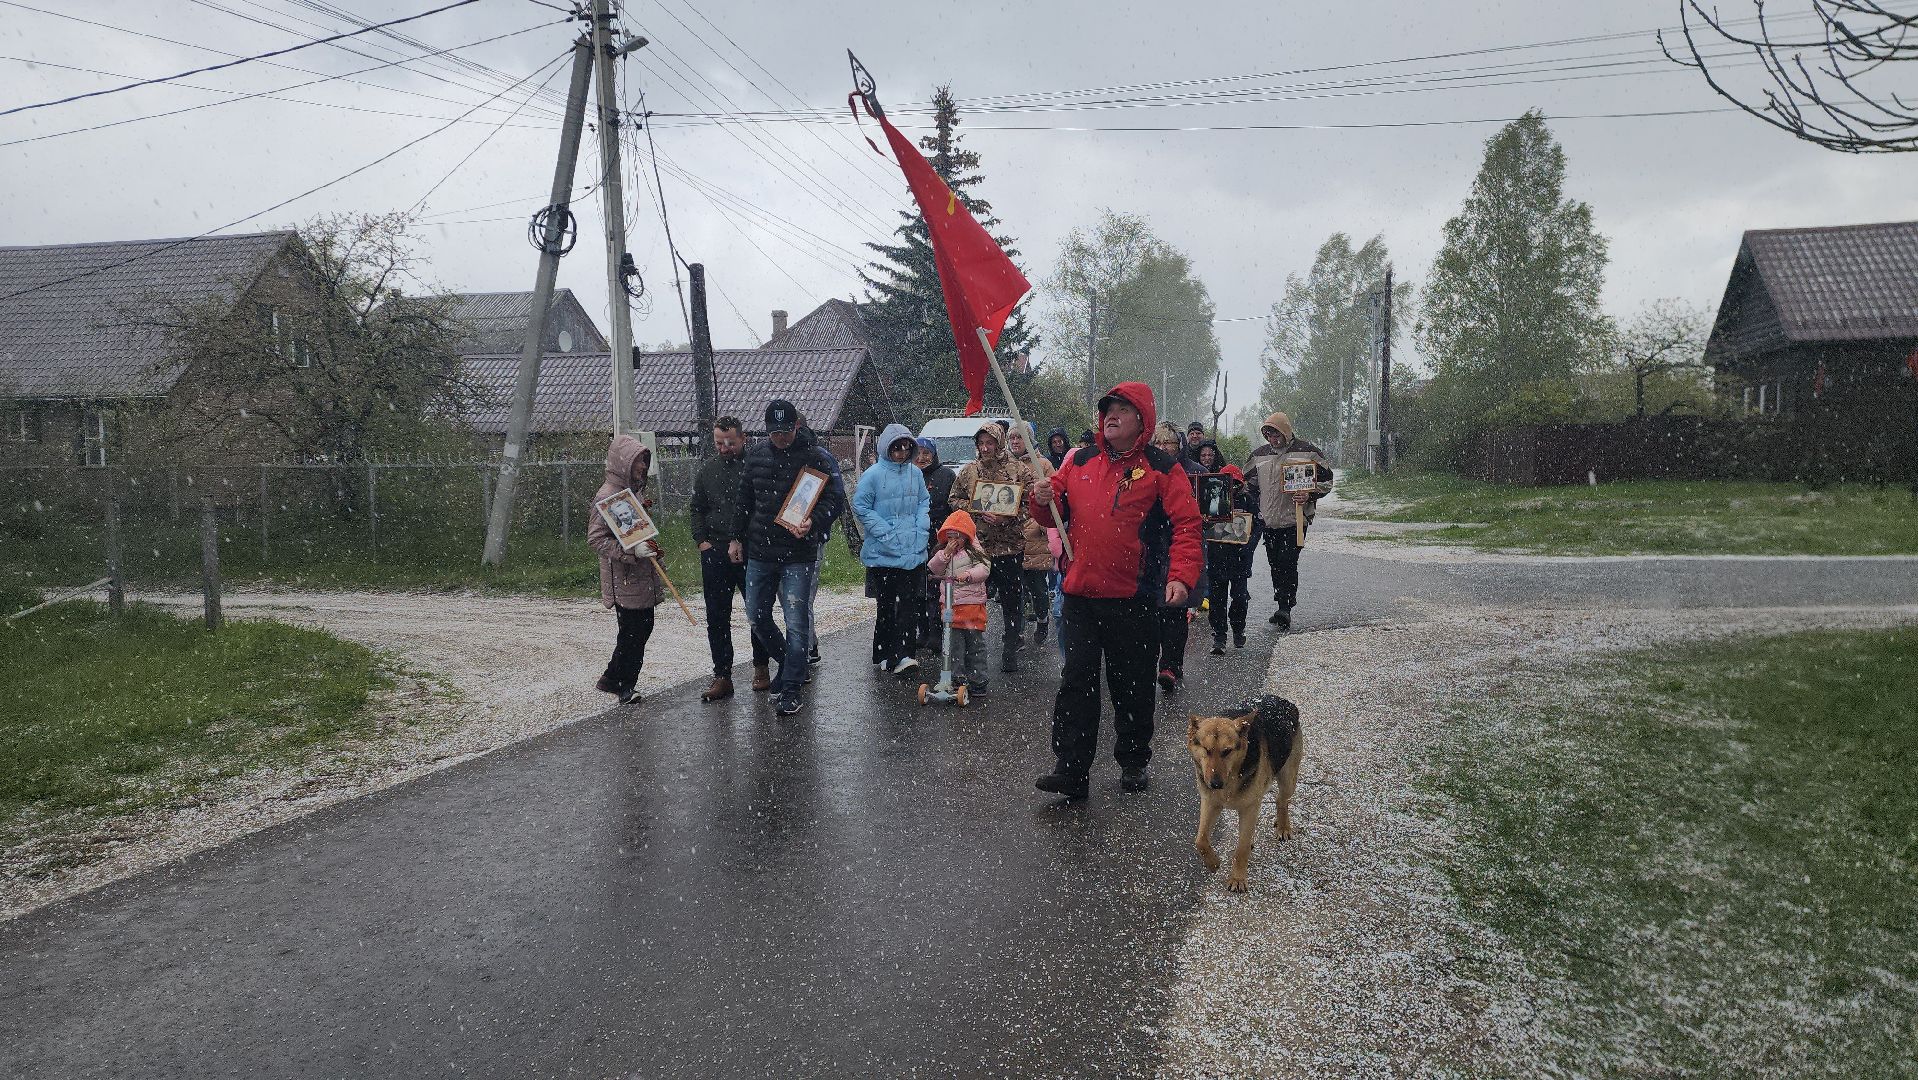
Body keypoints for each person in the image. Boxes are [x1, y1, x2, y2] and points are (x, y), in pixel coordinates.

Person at [1029, 383, 1202, 800]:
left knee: (1132, 682)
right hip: (1080, 595)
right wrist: (1040, 499)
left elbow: (1187, 527)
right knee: (1077, 681)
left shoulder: (1163, 468)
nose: (1112, 415)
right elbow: (1052, 512)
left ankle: (1133, 759)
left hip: (1135, 597)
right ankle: (1071, 770)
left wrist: (1180, 576)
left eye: (1123, 409)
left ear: (1141, 420)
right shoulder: (1079, 460)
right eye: (1108, 408)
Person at [730, 399, 845, 717]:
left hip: (799, 553)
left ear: (797, 426)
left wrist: (814, 521)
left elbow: (835, 498)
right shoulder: (756, 455)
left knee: (796, 622)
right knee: (756, 616)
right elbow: (744, 498)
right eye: (774, 432)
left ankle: (791, 688)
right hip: (760, 551)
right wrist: (736, 537)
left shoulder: (816, 457)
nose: (780, 438)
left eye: (785, 431)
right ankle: (791, 665)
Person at [689, 416, 770, 702]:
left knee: (757, 612)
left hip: (752, 551)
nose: (724, 447)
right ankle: (722, 675)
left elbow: (764, 507)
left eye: (730, 443)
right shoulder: (707, 471)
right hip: (715, 553)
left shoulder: (755, 467)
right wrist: (702, 541)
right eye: (719, 443)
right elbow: (696, 507)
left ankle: (761, 668)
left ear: (743, 439)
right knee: (717, 616)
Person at [948, 419, 1034, 673]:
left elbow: (1030, 505)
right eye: (981, 443)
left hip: (1009, 547)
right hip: (978, 548)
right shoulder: (969, 470)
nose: (985, 448)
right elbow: (953, 499)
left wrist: (1007, 516)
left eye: (990, 443)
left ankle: (1011, 646)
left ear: (1000, 443)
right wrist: (975, 508)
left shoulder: (1019, 470)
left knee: (1011, 599)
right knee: (973, 598)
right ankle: (974, 650)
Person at [588, 434, 666, 707]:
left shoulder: (634, 493)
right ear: (624, 462)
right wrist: (631, 552)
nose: (643, 467)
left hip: (642, 574)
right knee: (632, 632)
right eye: (638, 462)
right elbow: (597, 539)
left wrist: (650, 548)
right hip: (625, 575)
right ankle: (623, 685)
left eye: (645, 461)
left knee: (643, 628)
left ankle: (612, 678)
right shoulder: (608, 497)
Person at [1243, 411, 1333, 631]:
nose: (1273, 440)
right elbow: (1247, 484)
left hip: (1296, 519)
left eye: (1276, 435)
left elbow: (1327, 480)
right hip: (1270, 520)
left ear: (1285, 431)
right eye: (1269, 435)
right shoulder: (1259, 456)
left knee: (1288, 561)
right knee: (1275, 563)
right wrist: (1255, 504)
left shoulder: (1307, 452)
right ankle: (1281, 601)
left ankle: (1286, 606)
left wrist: (1309, 493)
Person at [852, 423, 930, 676]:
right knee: (887, 606)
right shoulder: (873, 475)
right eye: (896, 448)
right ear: (887, 448)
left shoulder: (915, 474)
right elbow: (861, 507)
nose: (901, 453)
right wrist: (886, 532)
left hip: (913, 550)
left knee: (909, 604)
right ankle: (885, 652)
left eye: (906, 448)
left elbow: (923, 503)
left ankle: (903, 655)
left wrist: (921, 530)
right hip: (883, 554)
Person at [1152, 421, 1207, 693]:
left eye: (1168, 443)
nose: (1162, 448)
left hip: (1181, 548)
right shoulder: (1144, 472)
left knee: (1175, 611)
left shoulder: (1196, 473)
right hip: (1152, 552)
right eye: (1158, 443)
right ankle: (1160, 661)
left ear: (1179, 445)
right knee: (1154, 611)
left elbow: (1211, 512)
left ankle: (1171, 665)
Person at [926, 510, 993, 694]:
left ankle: (978, 680)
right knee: (953, 645)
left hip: (972, 606)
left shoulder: (974, 552)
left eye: (958, 537)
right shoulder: (944, 553)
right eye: (950, 537)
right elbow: (933, 567)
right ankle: (956, 679)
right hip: (951, 607)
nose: (953, 541)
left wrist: (969, 575)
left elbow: (984, 568)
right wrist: (945, 553)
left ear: (966, 536)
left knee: (974, 646)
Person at [1199, 452, 1255, 654]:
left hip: (1240, 561)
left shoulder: (1247, 500)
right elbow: (1202, 526)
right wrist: (1205, 522)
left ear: (1241, 484)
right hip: (1216, 559)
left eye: (1236, 483)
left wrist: (1248, 546)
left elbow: (1257, 527)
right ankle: (1219, 637)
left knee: (1240, 597)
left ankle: (1238, 629)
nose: (1232, 487)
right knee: (1217, 599)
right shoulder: (1211, 499)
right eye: (1228, 483)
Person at [1008, 423, 1056, 646]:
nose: (1015, 441)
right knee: (1015, 588)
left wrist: (1045, 524)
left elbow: (1055, 498)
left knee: (1037, 586)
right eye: (1013, 437)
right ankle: (1016, 633)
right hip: (1011, 534)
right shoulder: (1005, 465)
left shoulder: (1043, 464)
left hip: (1036, 533)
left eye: (1020, 437)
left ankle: (1042, 619)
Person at [913, 437, 956, 654]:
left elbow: (952, 505)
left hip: (938, 537)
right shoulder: (909, 474)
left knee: (935, 588)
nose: (921, 458)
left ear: (934, 454)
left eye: (926, 453)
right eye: (918, 453)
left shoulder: (946, 475)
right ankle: (922, 632)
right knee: (918, 589)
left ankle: (937, 633)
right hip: (914, 537)